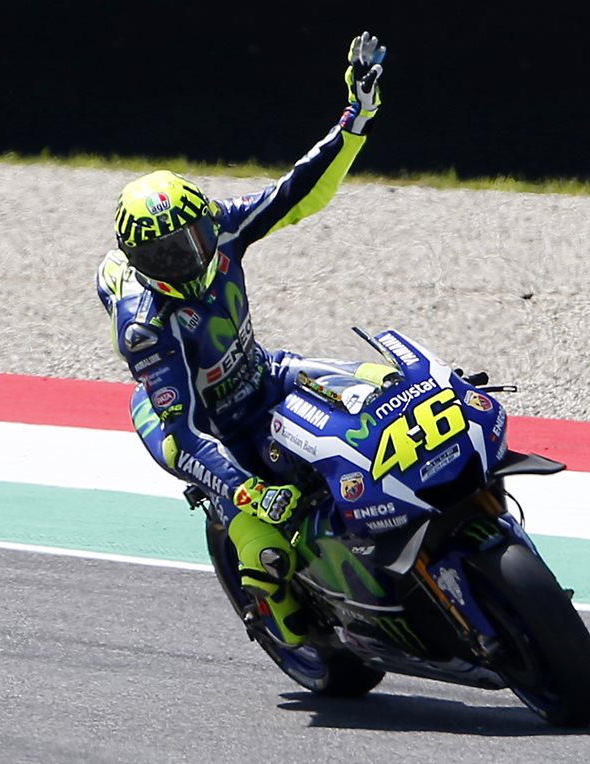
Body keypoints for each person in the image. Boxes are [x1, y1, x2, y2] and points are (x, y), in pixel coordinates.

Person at [95, 32, 387, 649]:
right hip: (208, 428)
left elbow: (297, 190)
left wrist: (356, 117)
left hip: (265, 374)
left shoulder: (224, 228)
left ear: (206, 219)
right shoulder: (146, 326)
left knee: (383, 387)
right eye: (165, 255)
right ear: (141, 263)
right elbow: (185, 434)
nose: (185, 258)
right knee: (268, 546)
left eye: (191, 240)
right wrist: (247, 489)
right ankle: (281, 615)